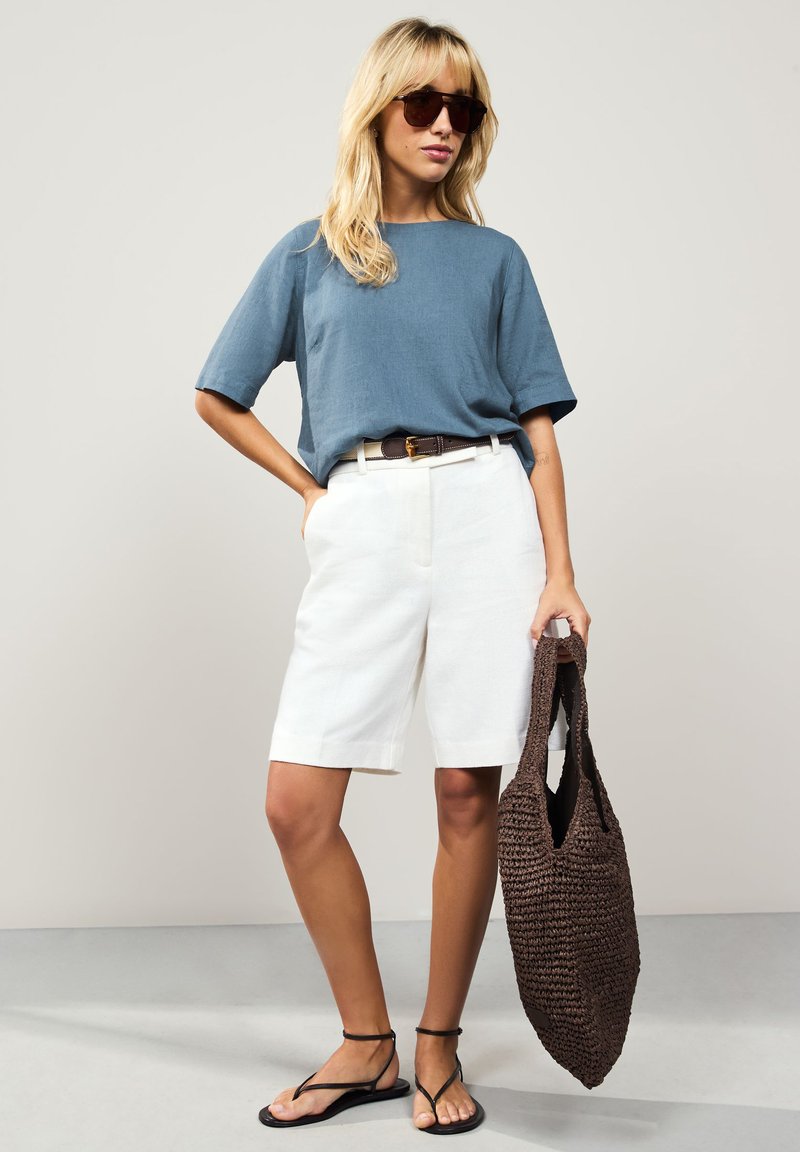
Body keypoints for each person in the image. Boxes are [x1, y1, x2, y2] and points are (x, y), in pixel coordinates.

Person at [194, 15, 590, 1136]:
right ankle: (363, 1040)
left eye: (462, 107)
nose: (444, 125)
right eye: (423, 101)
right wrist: (315, 496)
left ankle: (434, 1047)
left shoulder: (494, 258)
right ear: (375, 110)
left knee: (470, 790)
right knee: (295, 801)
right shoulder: (309, 253)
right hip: (362, 509)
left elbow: (541, 436)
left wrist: (560, 571)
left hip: (483, 508)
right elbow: (217, 395)